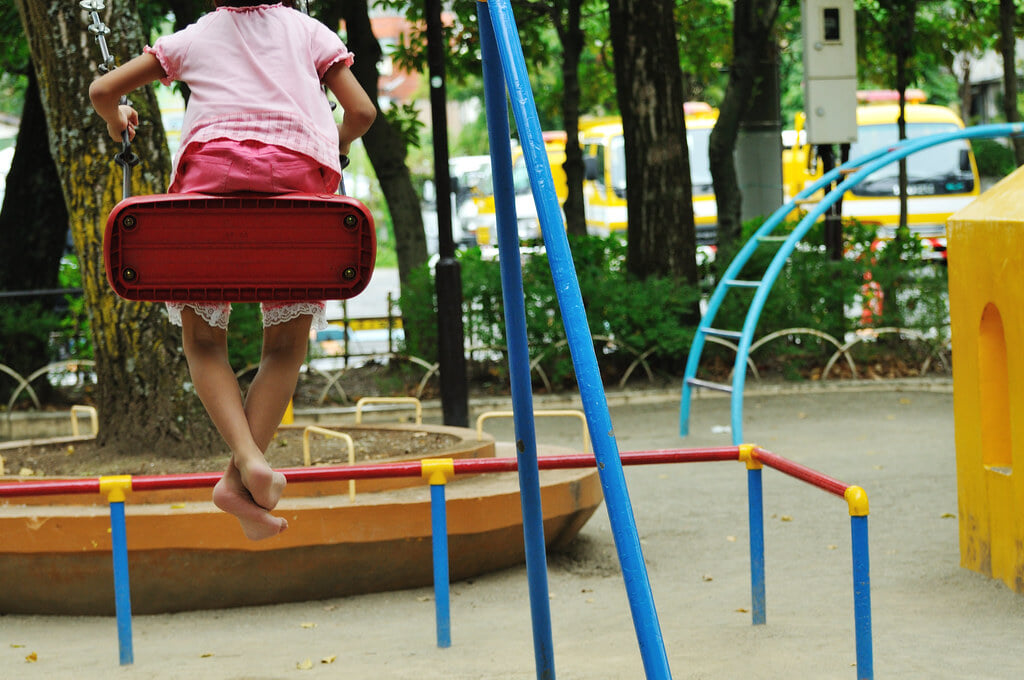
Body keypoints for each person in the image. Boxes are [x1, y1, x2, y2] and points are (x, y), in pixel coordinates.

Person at [89, 1, 376, 540]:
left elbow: (104, 90)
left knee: (203, 345)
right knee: (286, 349)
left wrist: (117, 120)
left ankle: (243, 461)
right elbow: (360, 112)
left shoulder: (194, 38)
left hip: (209, 200)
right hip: (299, 199)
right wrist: (330, 146)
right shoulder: (308, 30)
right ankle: (237, 480)